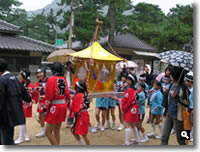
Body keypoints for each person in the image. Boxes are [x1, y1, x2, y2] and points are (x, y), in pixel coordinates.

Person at [0, 58, 31, 145]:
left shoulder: (2, 80)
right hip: (13, 114)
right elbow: (27, 97)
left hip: (4, 115)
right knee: (9, 137)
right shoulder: (15, 79)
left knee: (5, 140)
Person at [161, 66, 190, 145]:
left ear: (176, 76)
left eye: (171, 75)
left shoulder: (184, 88)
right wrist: (165, 111)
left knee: (182, 140)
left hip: (180, 117)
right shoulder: (172, 85)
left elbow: (187, 103)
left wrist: (177, 97)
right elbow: (168, 100)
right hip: (169, 114)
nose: (170, 76)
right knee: (164, 137)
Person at [44, 62, 70, 145]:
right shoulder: (63, 79)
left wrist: (45, 106)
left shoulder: (51, 79)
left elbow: (49, 95)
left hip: (54, 106)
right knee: (56, 131)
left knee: (47, 132)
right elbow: (67, 95)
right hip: (62, 105)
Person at [112, 74, 139, 145]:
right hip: (134, 107)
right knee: (133, 124)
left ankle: (127, 142)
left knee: (126, 124)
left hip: (130, 107)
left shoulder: (129, 90)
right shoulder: (134, 89)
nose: (127, 81)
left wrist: (116, 98)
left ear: (132, 81)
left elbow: (124, 100)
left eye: (129, 80)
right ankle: (137, 138)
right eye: (127, 79)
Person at [15, 69, 35, 144]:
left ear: (24, 76)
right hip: (21, 103)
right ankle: (26, 136)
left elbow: (32, 95)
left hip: (26, 103)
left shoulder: (30, 85)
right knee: (23, 120)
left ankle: (21, 138)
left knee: (22, 120)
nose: (20, 76)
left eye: (21, 75)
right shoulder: (20, 83)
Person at [69, 80, 90, 145]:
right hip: (83, 115)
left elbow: (75, 108)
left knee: (84, 135)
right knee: (73, 131)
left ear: (78, 88)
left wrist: (73, 99)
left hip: (81, 115)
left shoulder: (78, 96)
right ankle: (81, 144)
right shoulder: (84, 94)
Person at [34, 67, 48, 137]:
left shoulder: (49, 80)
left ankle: (50, 130)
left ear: (44, 73)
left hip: (48, 101)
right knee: (40, 116)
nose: (39, 75)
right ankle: (43, 131)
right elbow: (37, 90)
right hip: (41, 101)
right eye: (38, 73)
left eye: (40, 73)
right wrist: (36, 90)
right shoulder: (38, 82)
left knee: (50, 116)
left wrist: (45, 96)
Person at [64, 61, 75, 128]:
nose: (69, 67)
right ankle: (69, 120)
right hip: (66, 89)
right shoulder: (63, 72)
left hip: (72, 88)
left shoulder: (73, 72)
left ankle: (70, 120)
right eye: (68, 66)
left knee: (72, 105)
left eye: (70, 65)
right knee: (68, 105)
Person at [184, 72, 193, 142]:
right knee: (188, 122)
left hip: (192, 108)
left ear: (190, 82)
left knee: (193, 122)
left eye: (186, 81)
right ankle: (188, 136)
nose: (185, 83)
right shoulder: (187, 89)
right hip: (188, 107)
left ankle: (193, 135)